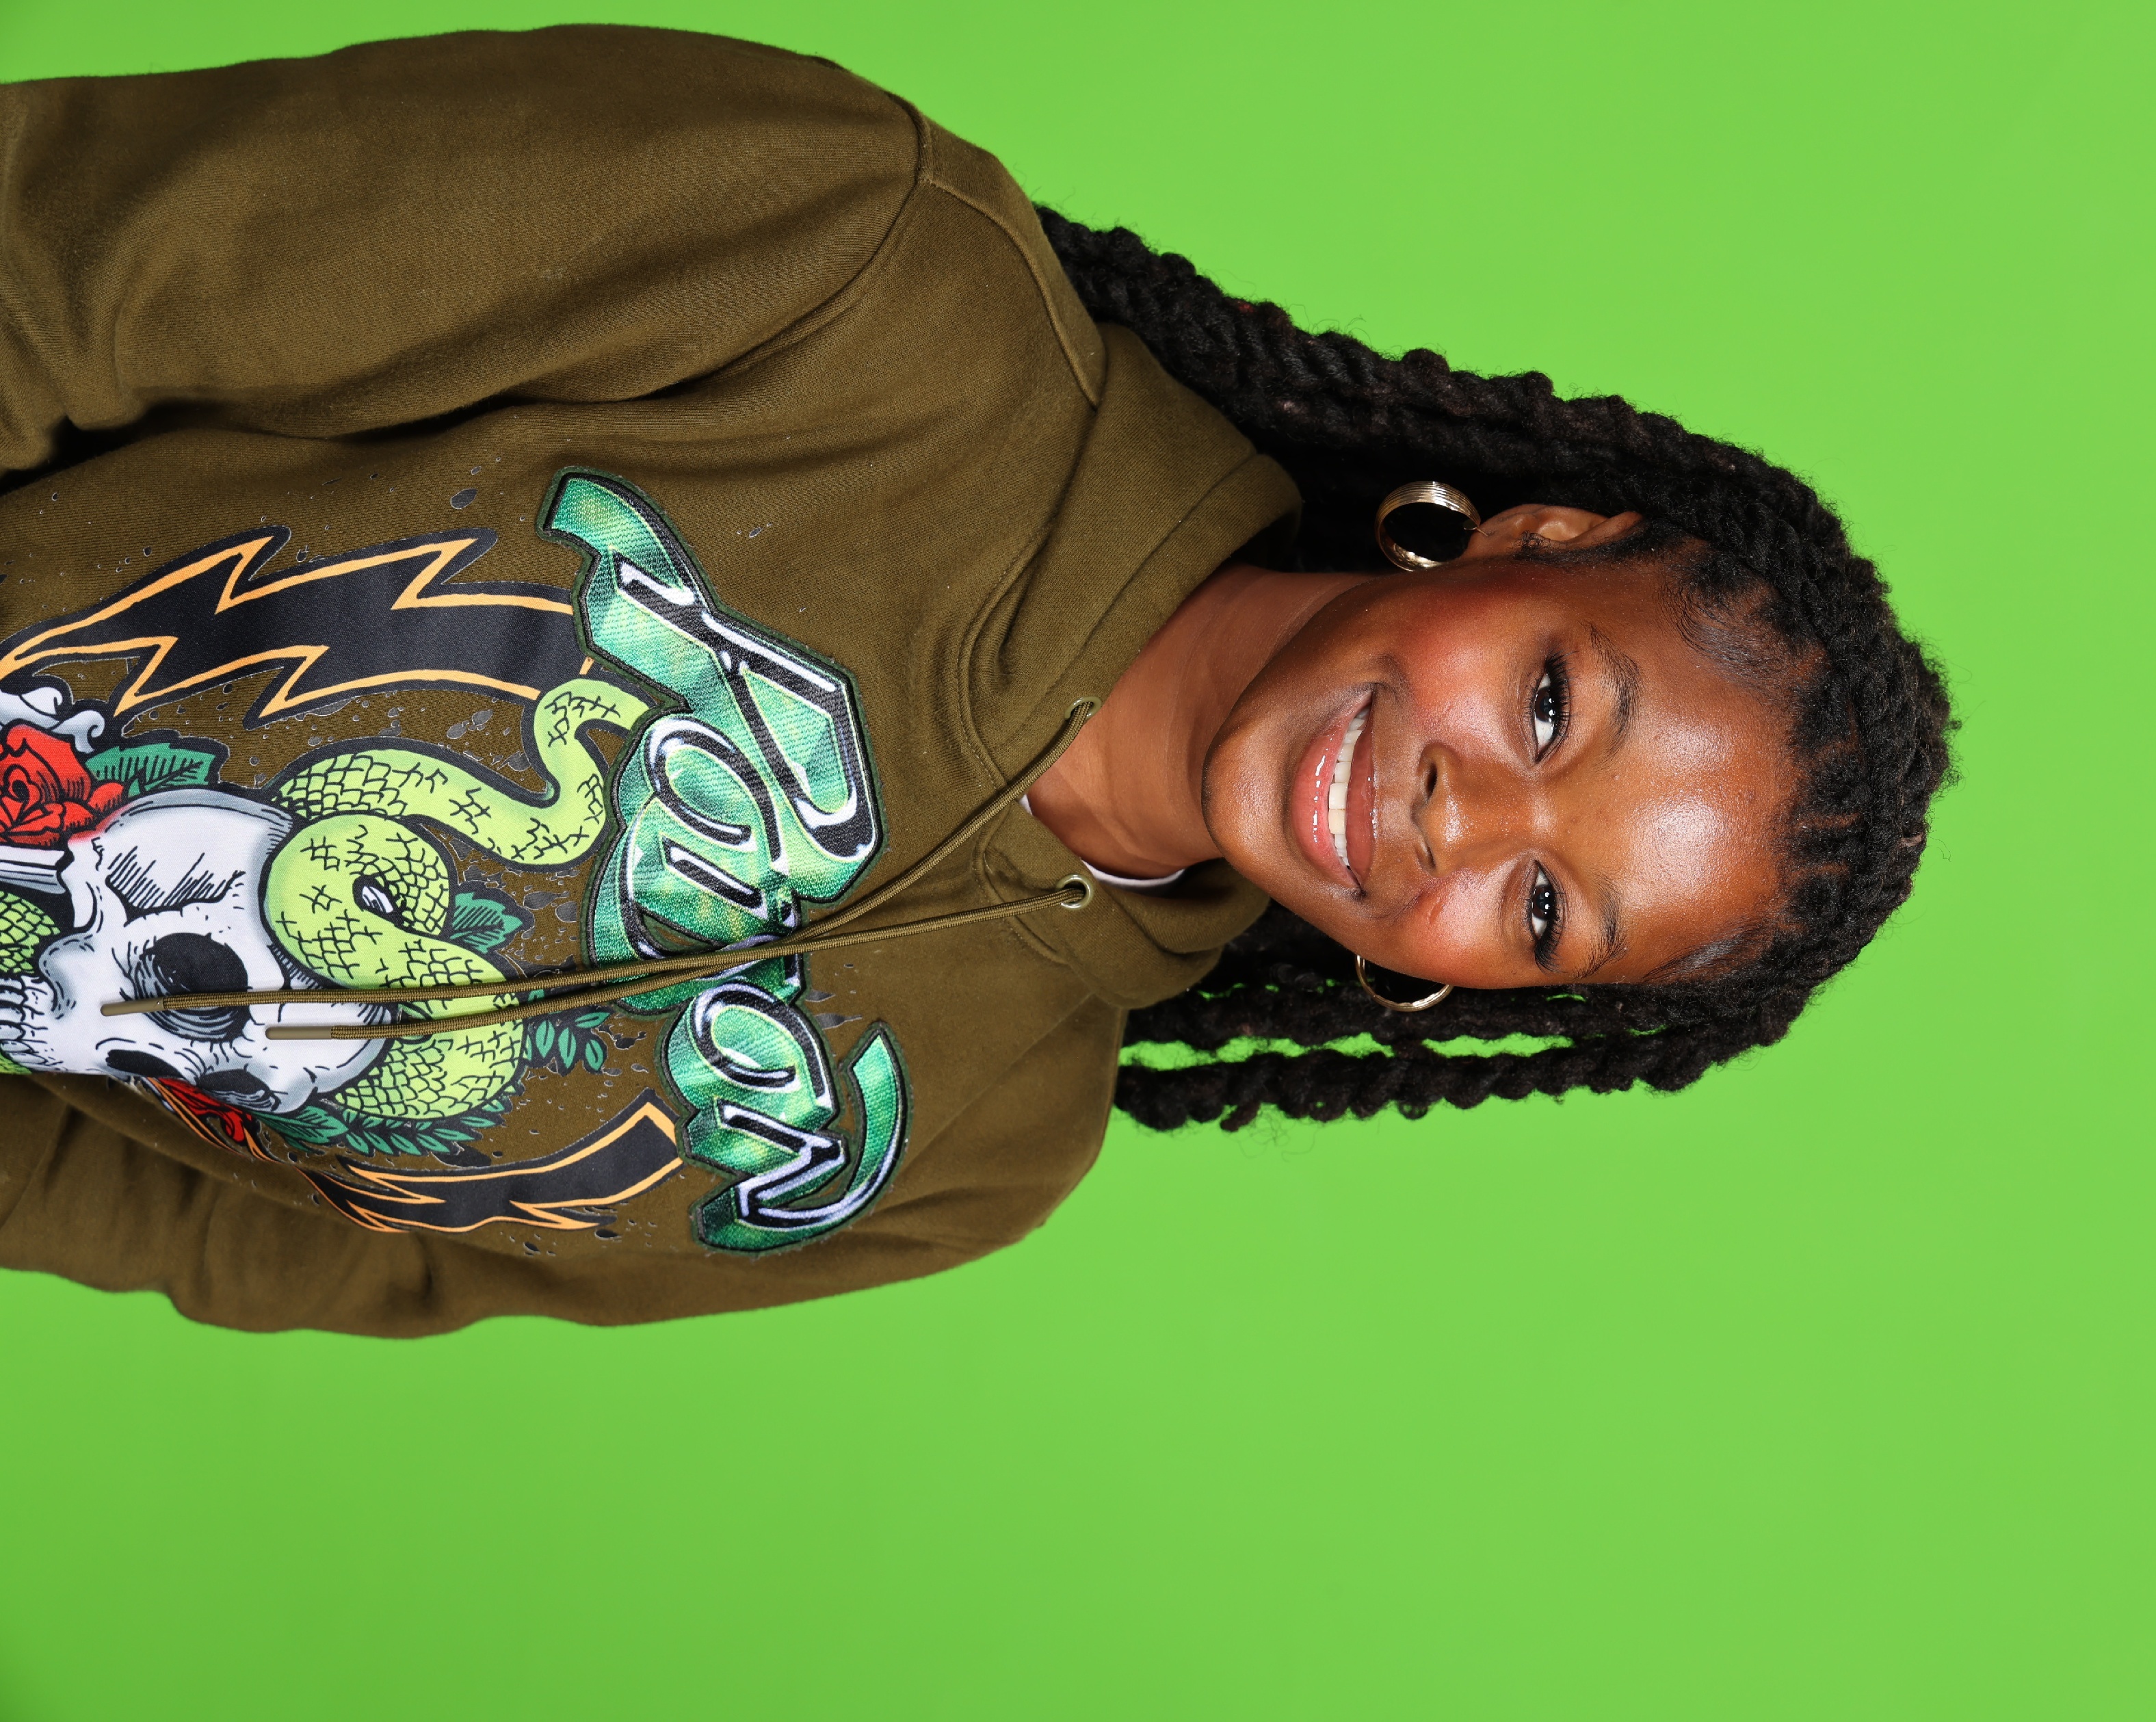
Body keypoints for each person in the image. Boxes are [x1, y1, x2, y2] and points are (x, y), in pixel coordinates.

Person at [0, 24, 1951, 1334]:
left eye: (1541, 909)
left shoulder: (975, 1158)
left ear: (1476, 992)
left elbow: (316, 1252)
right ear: (1523, 542)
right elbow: (61, 260)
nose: (1464, 820)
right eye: (1547, 710)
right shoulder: (869, 272)